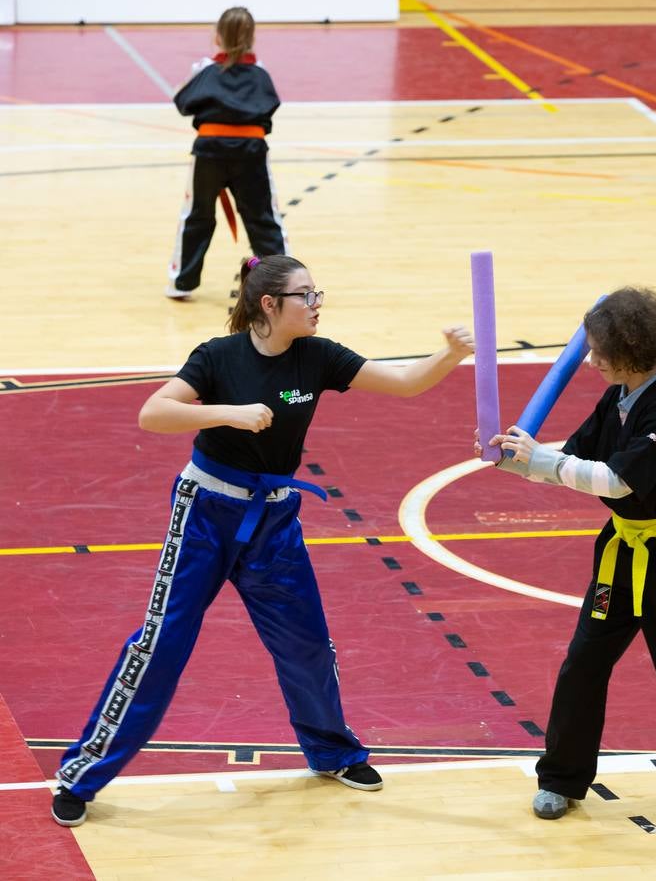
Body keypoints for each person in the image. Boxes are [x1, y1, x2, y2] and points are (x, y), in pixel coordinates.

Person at [52, 254, 474, 827]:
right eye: (307, 295)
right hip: (204, 513)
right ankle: (82, 775)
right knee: (161, 645)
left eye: (317, 292)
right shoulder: (218, 357)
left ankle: (332, 752)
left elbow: (403, 382)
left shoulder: (318, 356)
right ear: (270, 304)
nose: (318, 303)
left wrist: (449, 353)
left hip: (274, 520)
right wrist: (228, 414)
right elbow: (155, 414)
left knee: (306, 644)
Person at [479, 287, 656, 820]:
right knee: (583, 663)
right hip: (622, 553)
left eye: (600, 349)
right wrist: (511, 456)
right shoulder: (619, 397)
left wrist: (538, 458)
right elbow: (573, 458)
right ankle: (561, 778)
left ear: (630, 350)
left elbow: (615, 482)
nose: (590, 359)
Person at [167, 6, 288, 299]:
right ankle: (283, 284)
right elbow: (270, 111)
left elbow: (182, 101)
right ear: (252, 37)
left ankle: (181, 283)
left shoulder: (205, 70)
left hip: (209, 152)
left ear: (217, 36)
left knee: (197, 215)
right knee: (262, 217)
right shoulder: (260, 73)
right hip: (251, 152)